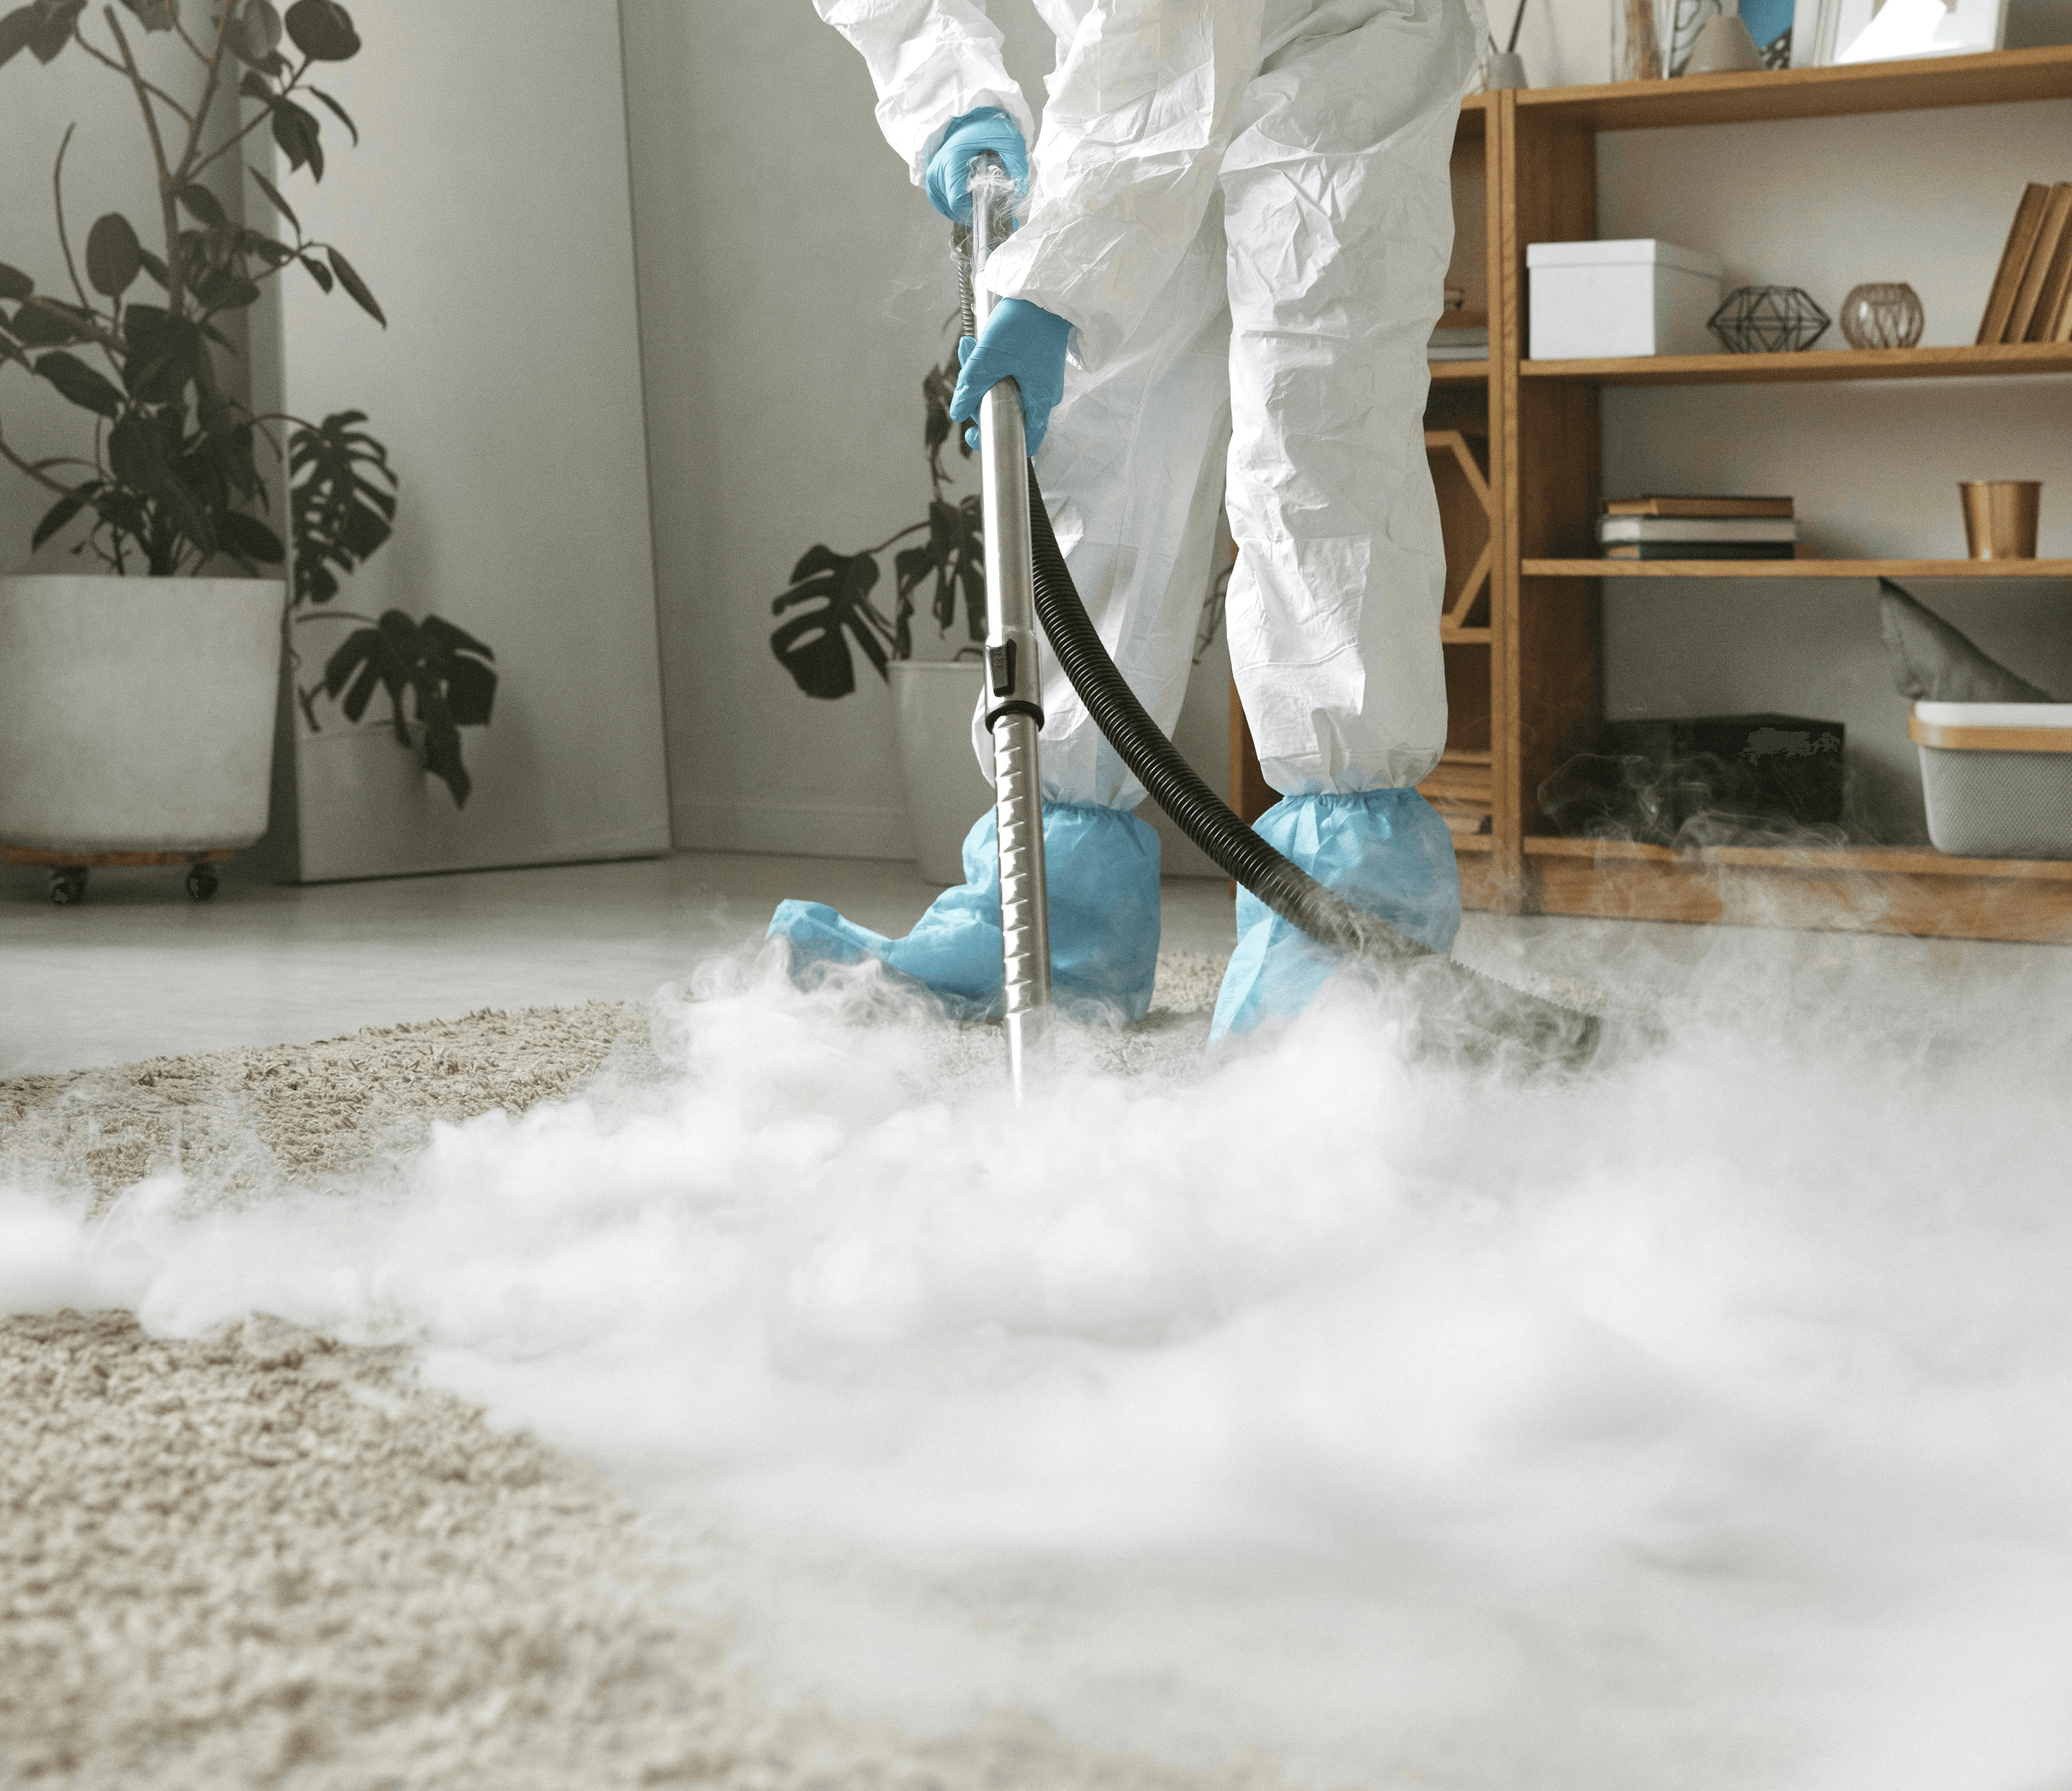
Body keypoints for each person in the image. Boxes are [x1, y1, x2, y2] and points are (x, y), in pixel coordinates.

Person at [771, 0, 1479, 1043]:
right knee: (1104, 440)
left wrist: (1053, 291)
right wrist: (950, 97)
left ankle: (1352, 926)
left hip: (1347, 30)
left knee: (1318, 435)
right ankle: (1060, 907)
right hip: (1138, 54)